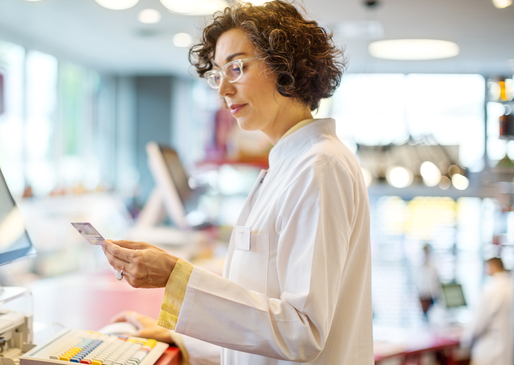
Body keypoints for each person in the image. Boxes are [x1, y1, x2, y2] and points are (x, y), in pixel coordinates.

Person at [101, 1, 373, 364]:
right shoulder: (291, 165)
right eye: (217, 74)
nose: (223, 90)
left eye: (237, 67)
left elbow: (302, 332)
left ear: (285, 64)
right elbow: (263, 317)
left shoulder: (319, 167)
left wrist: (177, 277)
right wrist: (184, 340)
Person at [462, 257, 513, 365]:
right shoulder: (510, 286)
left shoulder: (491, 289)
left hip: (490, 351)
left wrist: (466, 341)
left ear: (492, 266)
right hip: (507, 350)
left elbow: (479, 323)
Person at [415, 243, 440, 321]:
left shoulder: (433, 268)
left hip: (431, 297)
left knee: (432, 317)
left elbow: (436, 284)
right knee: (423, 319)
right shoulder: (419, 268)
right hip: (422, 295)